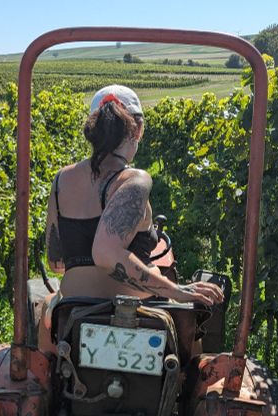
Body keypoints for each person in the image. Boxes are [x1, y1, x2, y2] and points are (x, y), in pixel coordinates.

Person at [45, 84, 224, 306]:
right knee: (199, 317)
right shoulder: (134, 180)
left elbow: (56, 262)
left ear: (93, 129)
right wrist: (177, 290)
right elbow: (106, 253)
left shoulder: (61, 180)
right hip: (135, 308)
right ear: (138, 129)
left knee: (46, 308)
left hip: (73, 306)